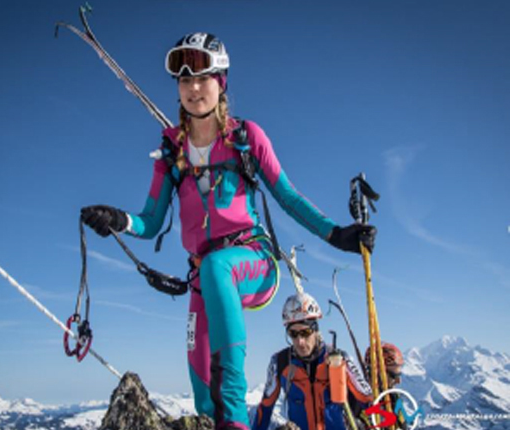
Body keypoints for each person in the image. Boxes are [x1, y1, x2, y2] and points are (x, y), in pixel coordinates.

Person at [80, 32, 376, 430]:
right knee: (203, 390)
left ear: (221, 83)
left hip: (252, 259)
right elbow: (150, 221)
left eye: (202, 78)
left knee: (218, 270)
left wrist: (336, 235)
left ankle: (234, 423)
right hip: (204, 273)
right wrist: (119, 220)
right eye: (185, 81)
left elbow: (287, 196)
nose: (193, 87)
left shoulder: (246, 138)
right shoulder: (171, 151)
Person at [252, 293, 373, 430]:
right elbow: (264, 410)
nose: (300, 342)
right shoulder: (280, 363)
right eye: (293, 334)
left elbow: (368, 400)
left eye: (305, 332)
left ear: (316, 330)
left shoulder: (340, 359)